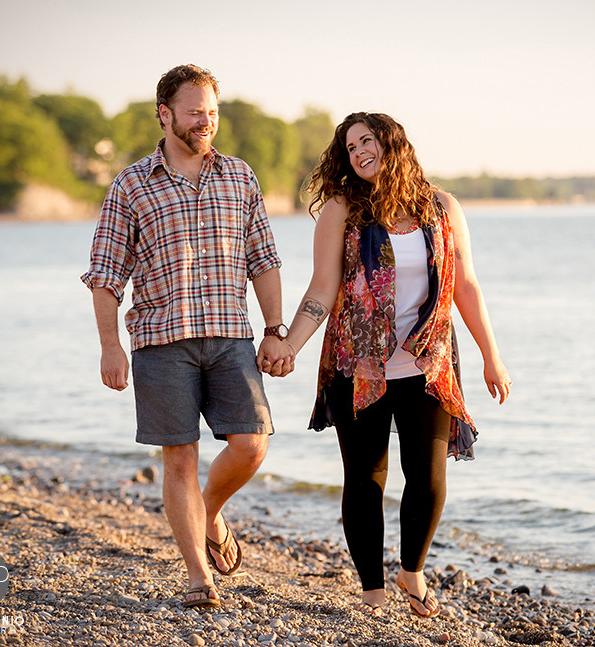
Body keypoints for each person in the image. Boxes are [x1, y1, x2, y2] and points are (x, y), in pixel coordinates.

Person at [261, 112, 511, 617]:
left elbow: (466, 285)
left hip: (429, 364)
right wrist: (291, 343)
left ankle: (411, 571)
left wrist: (492, 356)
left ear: (391, 143)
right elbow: (322, 289)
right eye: (349, 147)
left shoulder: (443, 207)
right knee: (365, 478)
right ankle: (372, 589)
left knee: (429, 477)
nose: (358, 153)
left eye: (366, 141)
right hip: (358, 368)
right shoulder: (340, 210)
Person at [81, 64, 294, 610]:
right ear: (165, 113)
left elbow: (263, 260)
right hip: (160, 341)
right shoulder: (130, 184)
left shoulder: (240, 177)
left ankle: (208, 512)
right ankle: (200, 577)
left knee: (251, 446)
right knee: (179, 458)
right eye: (196, 111)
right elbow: (106, 274)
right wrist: (110, 346)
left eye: (213, 112)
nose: (206, 121)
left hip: (230, 338)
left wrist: (276, 330)